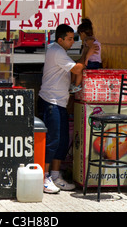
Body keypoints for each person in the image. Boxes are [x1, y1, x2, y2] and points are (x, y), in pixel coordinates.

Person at [38, 23, 98, 194]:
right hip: (50, 102)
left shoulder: (61, 52)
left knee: (63, 141)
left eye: (73, 39)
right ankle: (44, 177)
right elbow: (79, 68)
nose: (73, 42)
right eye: (70, 39)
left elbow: (74, 70)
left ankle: (56, 175)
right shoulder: (56, 51)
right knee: (52, 140)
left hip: (61, 102)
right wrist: (88, 54)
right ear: (60, 39)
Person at [70, 19, 102, 93]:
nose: (80, 37)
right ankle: (73, 83)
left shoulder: (88, 40)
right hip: (93, 62)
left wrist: (86, 59)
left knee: (79, 69)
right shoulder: (92, 39)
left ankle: (76, 85)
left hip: (93, 62)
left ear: (82, 33)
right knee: (76, 67)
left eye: (80, 35)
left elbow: (90, 51)